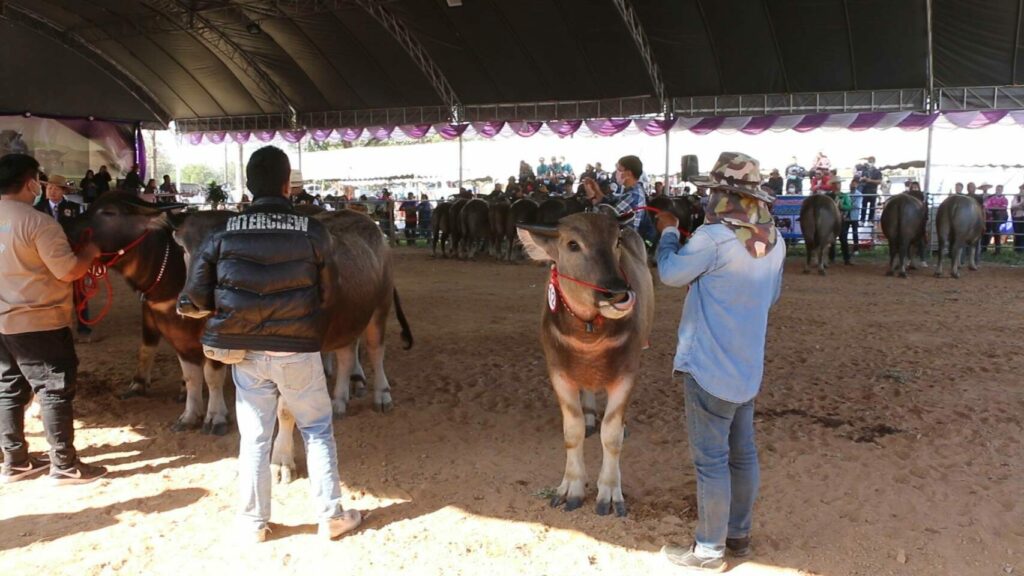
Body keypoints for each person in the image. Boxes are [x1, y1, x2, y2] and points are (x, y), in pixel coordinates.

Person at [176, 145, 361, 543]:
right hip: (298, 350)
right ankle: (330, 516)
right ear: (286, 185)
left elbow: (193, 299)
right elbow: (331, 295)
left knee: (255, 437)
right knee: (316, 429)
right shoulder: (314, 232)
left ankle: (252, 522)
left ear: (248, 186)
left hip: (245, 353)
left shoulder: (222, 233)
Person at [655, 151, 785, 572]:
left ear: (722, 195)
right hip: (747, 365)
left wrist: (669, 234)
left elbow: (670, 273)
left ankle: (709, 550)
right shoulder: (775, 242)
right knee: (742, 454)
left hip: (709, 367)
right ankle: (738, 537)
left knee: (711, 462)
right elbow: (771, 297)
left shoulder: (712, 239)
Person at [0, 153, 107, 485]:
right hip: (39, 320)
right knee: (53, 389)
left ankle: (15, 461)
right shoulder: (39, 223)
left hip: (3, 322)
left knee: (9, 389)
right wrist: (91, 252)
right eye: (39, 180)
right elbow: (68, 271)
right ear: (31, 183)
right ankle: (64, 465)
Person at [32, 175, 92, 339]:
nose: (52, 191)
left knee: (79, 292)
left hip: (71, 256)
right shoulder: (36, 210)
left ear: (63, 191)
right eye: (49, 188)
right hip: (44, 259)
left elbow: (84, 232)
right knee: (46, 294)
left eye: (56, 188)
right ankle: (49, 329)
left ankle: (84, 328)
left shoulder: (75, 209)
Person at [582, 155, 649, 238]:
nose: (616, 172)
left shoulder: (633, 196)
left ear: (628, 173)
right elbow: (609, 204)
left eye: (619, 170)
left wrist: (592, 197)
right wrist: (596, 190)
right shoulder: (632, 190)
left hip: (622, 241)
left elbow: (603, 220)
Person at [982, 184, 1008, 254]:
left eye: (1000, 189)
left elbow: (1004, 208)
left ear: (1002, 190)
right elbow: (986, 205)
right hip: (991, 217)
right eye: (997, 189)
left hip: (1000, 216)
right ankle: (991, 248)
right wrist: (992, 209)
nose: (998, 190)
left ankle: (997, 249)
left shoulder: (1004, 199)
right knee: (992, 230)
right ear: (995, 190)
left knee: (995, 228)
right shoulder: (991, 198)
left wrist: (993, 208)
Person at [858, 156, 882, 224]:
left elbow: (879, 181)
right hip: (865, 191)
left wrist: (869, 180)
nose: (870, 162)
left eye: (871, 161)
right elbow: (859, 178)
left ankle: (870, 220)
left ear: (874, 162)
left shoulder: (877, 171)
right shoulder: (864, 170)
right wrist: (862, 179)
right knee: (863, 206)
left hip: (873, 191)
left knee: (872, 207)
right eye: (869, 161)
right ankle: (862, 220)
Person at [1011, 184, 1024, 252]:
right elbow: (1013, 205)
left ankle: (1021, 249)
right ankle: (1017, 249)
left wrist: (1018, 206)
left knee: (1022, 233)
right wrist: (1021, 204)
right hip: (1016, 216)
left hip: (1022, 216)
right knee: (1017, 232)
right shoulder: (1016, 196)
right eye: (1022, 188)